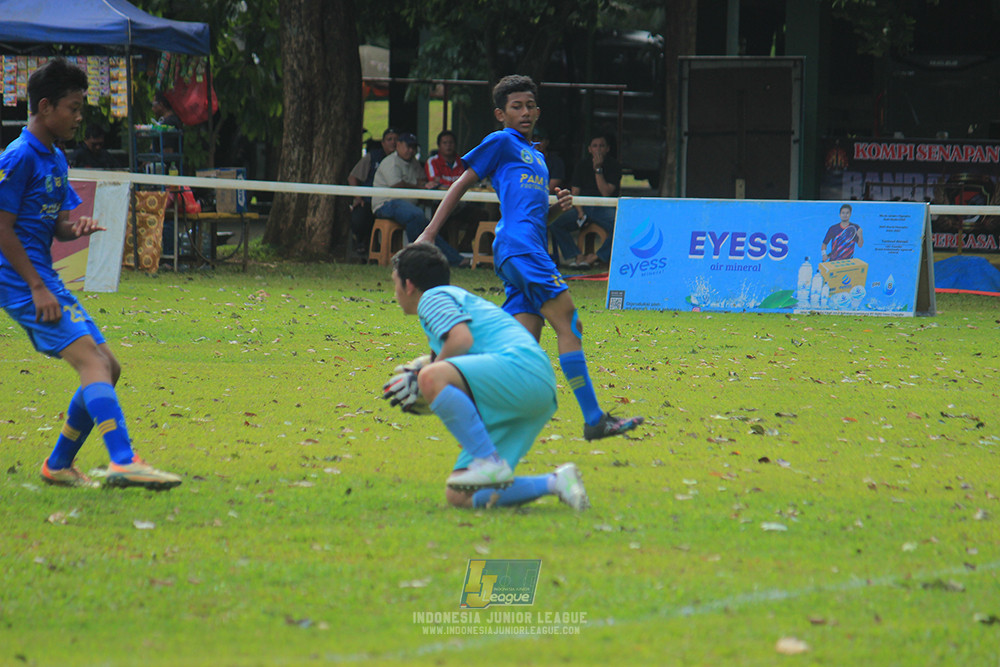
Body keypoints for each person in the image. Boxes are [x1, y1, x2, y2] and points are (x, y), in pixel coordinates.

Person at [415, 74, 643, 441]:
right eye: (516, 106)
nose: (525, 112)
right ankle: (594, 418)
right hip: (522, 250)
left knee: (520, 345)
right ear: (500, 114)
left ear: (538, 111)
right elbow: (461, 184)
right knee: (570, 323)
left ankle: (447, 370)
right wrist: (429, 233)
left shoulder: (537, 158)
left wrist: (556, 209)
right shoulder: (501, 142)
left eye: (530, 106)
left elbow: (532, 216)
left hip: (525, 249)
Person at [0, 58, 181, 490]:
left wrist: (73, 228)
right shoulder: (19, 155)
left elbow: (56, 225)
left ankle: (59, 464)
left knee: (109, 367)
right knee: (91, 363)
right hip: (22, 283)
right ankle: (124, 459)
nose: (79, 118)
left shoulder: (57, 160)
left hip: (45, 278)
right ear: (45, 107)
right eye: (73, 108)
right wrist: (37, 287)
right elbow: (2, 227)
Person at [384, 243, 589, 510]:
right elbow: (459, 369)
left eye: (394, 282)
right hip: (535, 389)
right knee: (460, 494)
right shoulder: (451, 302)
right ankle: (556, 482)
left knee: (431, 376)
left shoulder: (433, 297)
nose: (395, 291)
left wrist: (426, 378)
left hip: (522, 370)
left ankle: (488, 462)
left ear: (408, 285)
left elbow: (461, 339)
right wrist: (429, 376)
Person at [372, 132, 467, 267]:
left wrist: (424, 184)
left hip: (409, 204)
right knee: (416, 216)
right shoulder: (390, 162)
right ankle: (420, 258)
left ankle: (434, 258)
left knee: (427, 220)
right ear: (398, 145)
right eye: (407, 146)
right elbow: (397, 185)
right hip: (387, 203)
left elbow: (423, 180)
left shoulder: (413, 162)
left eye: (413, 147)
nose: (411, 150)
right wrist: (419, 185)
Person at [549, 132, 621, 268]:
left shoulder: (614, 166)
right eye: (595, 146)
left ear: (607, 149)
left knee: (620, 227)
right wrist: (580, 211)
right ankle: (575, 256)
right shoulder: (582, 165)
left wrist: (598, 169)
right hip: (582, 206)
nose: (598, 149)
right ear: (589, 149)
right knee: (555, 222)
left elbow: (606, 193)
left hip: (604, 207)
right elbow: (575, 192)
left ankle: (597, 257)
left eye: (601, 146)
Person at [425, 130, 482, 251]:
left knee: (481, 214)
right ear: (439, 145)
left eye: (451, 142)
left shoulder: (463, 161)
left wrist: (446, 183)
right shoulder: (432, 161)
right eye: (445, 143)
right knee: (447, 221)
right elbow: (435, 183)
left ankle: (465, 244)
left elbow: (468, 183)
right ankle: (449, 252)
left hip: (462, 204)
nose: (448, 145)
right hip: (439, 203)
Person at [348, 127, 398, 254]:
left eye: (396, 140)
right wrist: (358, 197)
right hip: (369, 200)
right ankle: (362, 245)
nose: (393, 142)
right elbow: (353, 177)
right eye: (389, 139)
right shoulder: (372, 157)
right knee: (360, 218)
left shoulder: (403, 160)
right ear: (383, 143)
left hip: (393, 202)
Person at [531, 126, 565, 193]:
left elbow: (550, 189)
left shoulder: (555, 162)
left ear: (547, 142)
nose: (536, 143)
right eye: (533, 140)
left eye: (540, 140)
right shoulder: (520, 159)